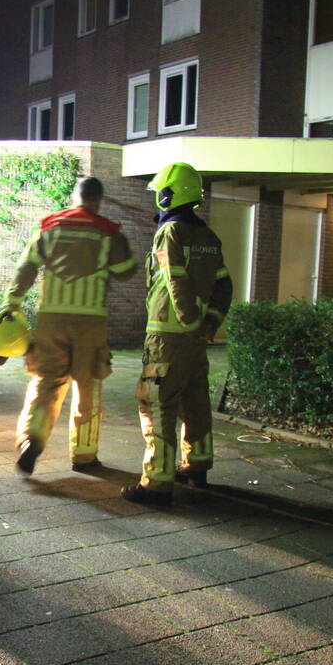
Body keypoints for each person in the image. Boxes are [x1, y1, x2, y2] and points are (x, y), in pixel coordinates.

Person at [4, 176, 137, 475]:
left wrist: (12, 302)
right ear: (97, 200)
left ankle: (30, 441)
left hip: (51, 319)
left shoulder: (50, 228)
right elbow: (126, 272)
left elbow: (26, 267)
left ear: (75, 197)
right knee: (88, 385)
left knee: (46, 382)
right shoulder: (108, 234)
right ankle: (84, 455)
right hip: (90, 320)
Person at [122, 162, 233, 507]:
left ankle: (156, 485)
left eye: (161, 191)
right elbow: (224, 284)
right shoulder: (208, 236)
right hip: (196, 341)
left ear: (172, 193)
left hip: (168, 338)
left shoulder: (170, 232)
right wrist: (208, 324)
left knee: (156, 404)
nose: (158, 196)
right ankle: (196, 466)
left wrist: (187, 322)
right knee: (195, 401)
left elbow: (174, 279)